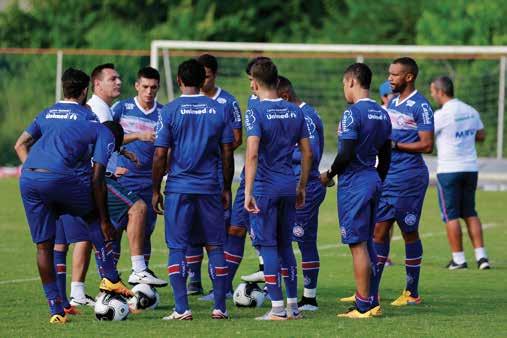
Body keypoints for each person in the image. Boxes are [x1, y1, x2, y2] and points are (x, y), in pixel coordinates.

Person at [14, 67, 132, 324]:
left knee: (43, 246)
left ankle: (56, 310)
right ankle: (111, 278)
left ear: (64, 88)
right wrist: (104, 219)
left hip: (31, 179)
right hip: (64, 178)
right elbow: (98, 177)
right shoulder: (91, 120)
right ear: (85, 91)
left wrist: (34, 172)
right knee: (93, 219)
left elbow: (19, 144)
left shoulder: (47, 112)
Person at [152, 59, 234, 320]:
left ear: (178, 80)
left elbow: (159, 155)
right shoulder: (219, 110)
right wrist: (227, 187)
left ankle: (181, 309)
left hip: (178, 188)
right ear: (203, 81)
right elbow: (228, 153)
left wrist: (155, 189)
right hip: (210, 187)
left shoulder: (169, 111)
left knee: (177, 248)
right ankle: (220, 307)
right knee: (215, 246)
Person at [321, 63, 391, 318]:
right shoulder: (383, 114)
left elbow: (346, 153)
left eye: (343, 84)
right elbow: (386, 157)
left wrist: (328, 175)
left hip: (355, 183)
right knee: (368, 242)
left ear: (351, 81)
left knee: (357, 244)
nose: (344, 90)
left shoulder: (352, 114)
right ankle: (372, 300)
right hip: (373, 179)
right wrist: (376, 180)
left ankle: (363, 305)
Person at [244, 59, 312, 320]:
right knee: (286, 246)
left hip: (265, 188)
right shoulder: (296, 111)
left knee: (268, 247)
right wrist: (302, 185)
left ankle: (276, 309)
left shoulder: (255, 111)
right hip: (288, 185)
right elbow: (308, 153)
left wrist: (248, 191)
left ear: (255, 82)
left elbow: (252, 154)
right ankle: (293, 307)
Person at [373, 57, 434, 306]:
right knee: (378, 231)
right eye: (389, 74)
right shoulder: (392, 103)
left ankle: (412, 292)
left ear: (409, 77)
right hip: (388, 177)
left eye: (395, 75)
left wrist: (397, 145)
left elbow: (427, 144)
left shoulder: (421, 105)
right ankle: (370, 292)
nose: (390, 78)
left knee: (408, 231)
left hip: (409, 178)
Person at [185, 53, 243, 298]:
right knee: (190, 226)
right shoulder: (187, 101)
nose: (203, 81)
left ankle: (220, 283)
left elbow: (237, 137)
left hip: (216, 173)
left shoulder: (227, 102)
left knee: (216, 229)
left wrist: (214, 152)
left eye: (206, 76)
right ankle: (193, 278)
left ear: (214, 75)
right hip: (190, 173)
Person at [112, 66, 168, 284]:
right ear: (137, 86)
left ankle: (141, 284)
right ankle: (110, 280)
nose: (149, 91)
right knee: (114, 232)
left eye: (153, 87)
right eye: (145, 86)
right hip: (121, 180)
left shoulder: (164, 113)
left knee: (144, 234)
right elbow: (107, 137)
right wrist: (137, 137)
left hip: (147, 182)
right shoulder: (121, 108)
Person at [430, 76, 490, 270]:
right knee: (470, 212)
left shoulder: (441, 115)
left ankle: (458, 259)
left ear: (440, 91)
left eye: (433, 91)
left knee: (451, 215)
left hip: (449, 169)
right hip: (470, 168)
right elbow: (481, 134)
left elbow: (425, 138)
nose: (432, 95)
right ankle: (482, 258)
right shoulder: (470, 110)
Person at [277, 75, 326, 311]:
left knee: (293, 240)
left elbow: (311, 153)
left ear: (285, 95)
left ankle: (305, 298)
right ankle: (306, 297)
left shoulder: (305, 116)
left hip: (304, 187)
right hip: (295, 185)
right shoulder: (293, 114)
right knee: (303, 241)